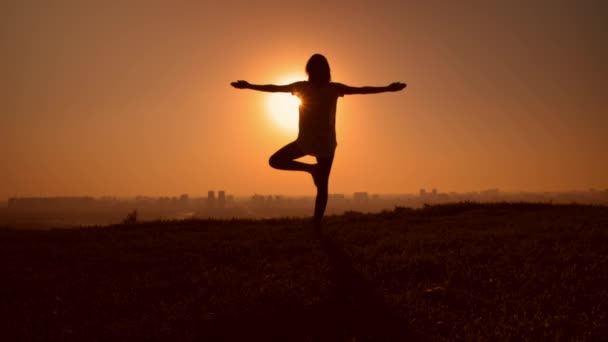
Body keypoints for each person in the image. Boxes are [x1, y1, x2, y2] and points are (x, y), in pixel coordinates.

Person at [231, 53, 406, 229]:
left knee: (277, 162)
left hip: (309, 142)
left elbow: (274, 88)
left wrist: (249, 86)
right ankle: (316, 220)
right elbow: (363, 89)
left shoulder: (307, 87)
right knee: (322, 186)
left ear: (309, 70)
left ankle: (312, 174)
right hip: (324, 144)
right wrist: (387, 88)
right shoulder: (331, 88)